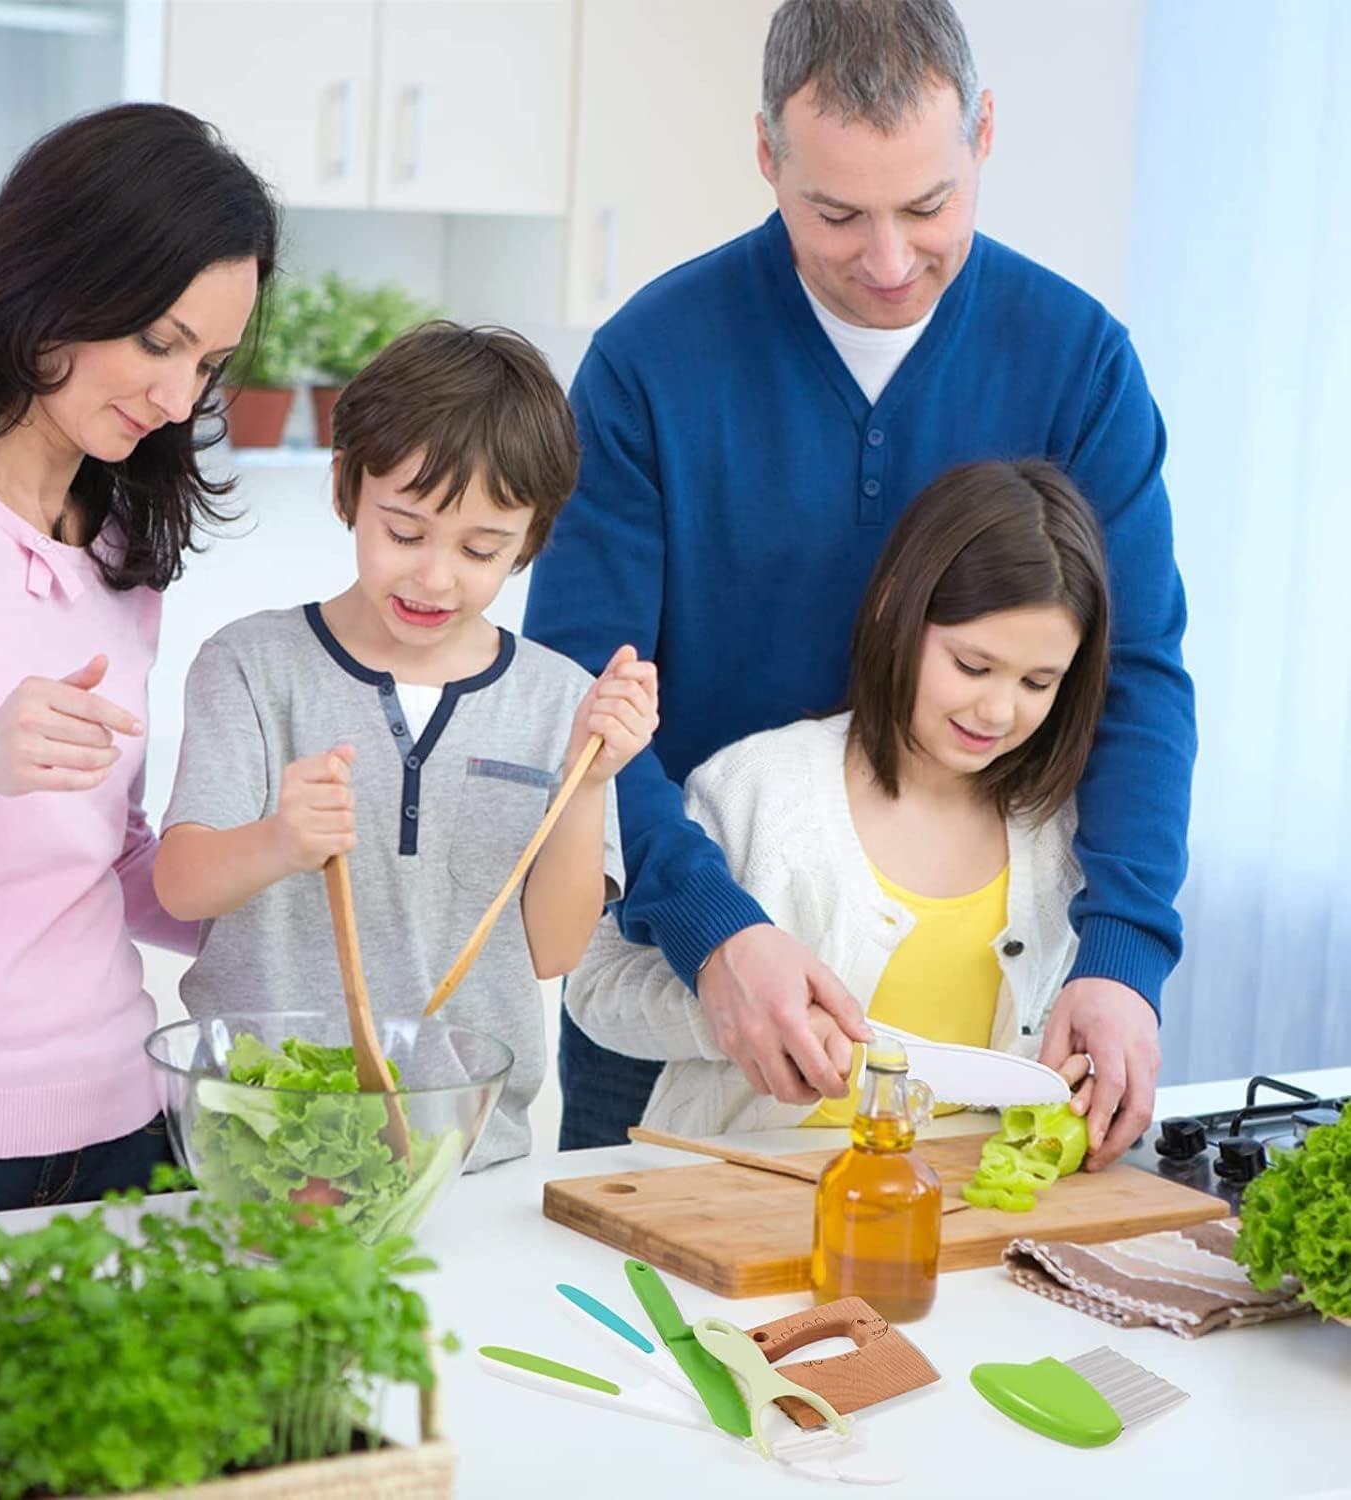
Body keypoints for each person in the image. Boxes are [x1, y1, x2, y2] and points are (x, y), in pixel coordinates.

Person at [525, 0, 1195, 1167]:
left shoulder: (1078, 361)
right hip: (683, 1005)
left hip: (967, 1021)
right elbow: (581, 702)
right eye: (835, 213)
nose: (889, 262)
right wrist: (708, 929)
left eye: (928, 207)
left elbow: (1134, 675)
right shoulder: (651, 361)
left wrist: (1122, 952)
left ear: (983, 135)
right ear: (766, 158)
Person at [0, 103, 279, 1221]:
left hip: (123, 1122)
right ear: (55, 284)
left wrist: (272, 859)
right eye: (159, 341)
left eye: (211, 362)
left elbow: (104, 857)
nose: (180, 398)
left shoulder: (124, 544)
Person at [153, 322, 660, 1169]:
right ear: (347, 489)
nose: (435, 577)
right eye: (406, 531)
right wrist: (282, 839)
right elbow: (180, 886)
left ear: (531, 540)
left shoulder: (556, 699)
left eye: (481, 549)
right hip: (254, 1140)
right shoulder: (250, 665)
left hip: (467, 1154)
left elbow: (556, 951)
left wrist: (592, 779)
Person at [567, 459, 1106, 1134]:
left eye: (1039, 682)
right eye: (972, 665)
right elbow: (595, 988)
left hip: (960, 1222)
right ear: (896, 613)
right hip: (738, 1213)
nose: (998, 710)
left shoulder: (1061, 832)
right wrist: (737, 1015)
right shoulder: (759, 788)